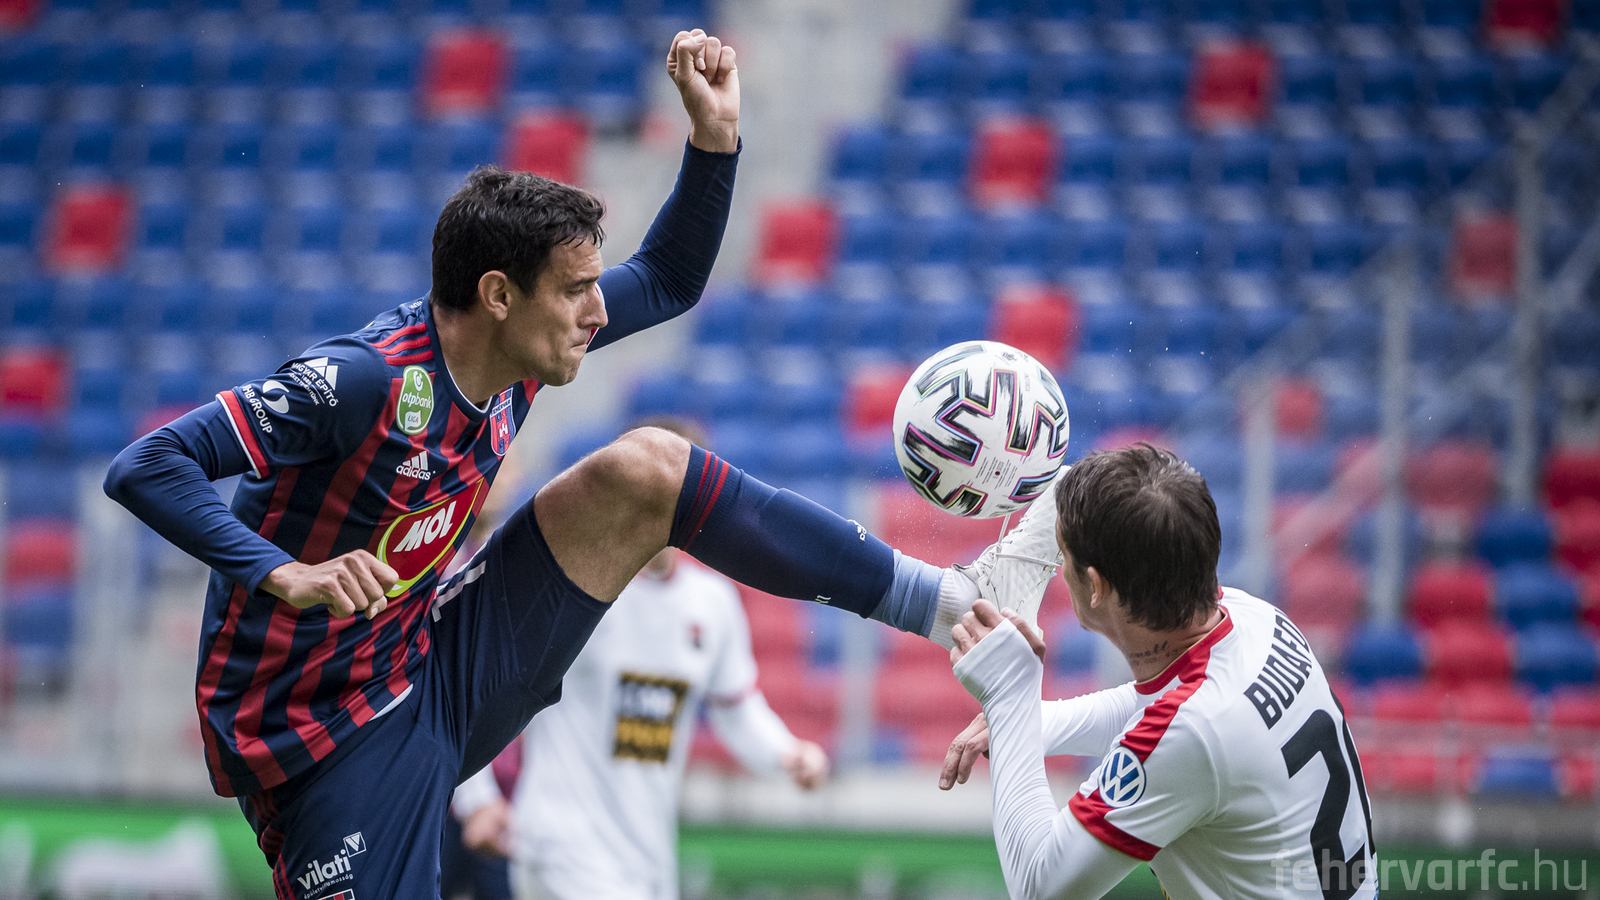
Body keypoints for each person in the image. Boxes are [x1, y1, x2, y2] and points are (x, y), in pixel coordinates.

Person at [102, 27, 1064, 899]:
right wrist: (285, 572)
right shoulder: (362, 383)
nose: (599, 312)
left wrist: (715, 139)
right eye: (576, 291)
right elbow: (149, 464)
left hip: (435, 660)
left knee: (649, 469)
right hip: (317, 734)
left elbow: (671, 279)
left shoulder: (521, 355)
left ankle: (944, 600)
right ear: (498, 294)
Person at [939, 445, 1376, 900]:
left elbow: (1039, 886)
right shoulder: (1256, 618)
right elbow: (1159, 713)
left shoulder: (1195, 730)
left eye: (1062, 555)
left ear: (1097, 585)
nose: (1058, 569)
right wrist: (1035, 724)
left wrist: (1010, 698)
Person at [451, 421, 828, 900]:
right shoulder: (573, 579)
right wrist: (477, 800)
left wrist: (785, 753)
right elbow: (481, 683)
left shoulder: (711, 602)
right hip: (559, 846)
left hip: (648, 858)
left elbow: (735, 708)